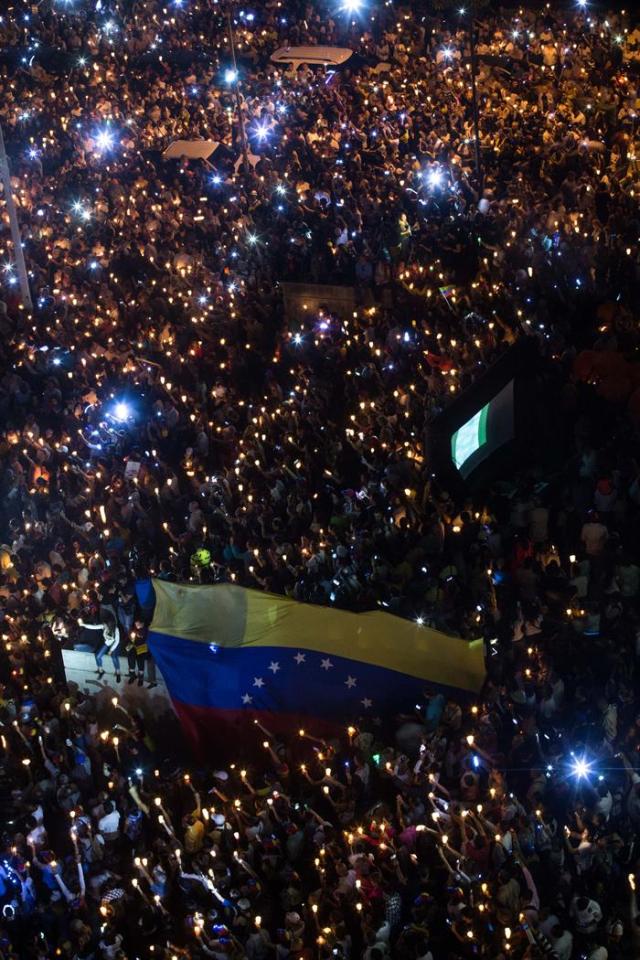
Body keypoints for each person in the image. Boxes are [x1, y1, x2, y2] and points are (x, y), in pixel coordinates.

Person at [79, 614, 121, 682]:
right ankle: (101, 670)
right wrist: (83, 625)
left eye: (105, 623)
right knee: (98, 656)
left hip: (114, 644)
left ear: (109, 624)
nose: (103, 624)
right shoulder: (103, 626)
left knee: (114, 657)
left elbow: (117, 641)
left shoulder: (116, 629)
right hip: (107, 643)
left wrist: (111, 650)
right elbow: (93, 627)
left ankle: (118, 672)